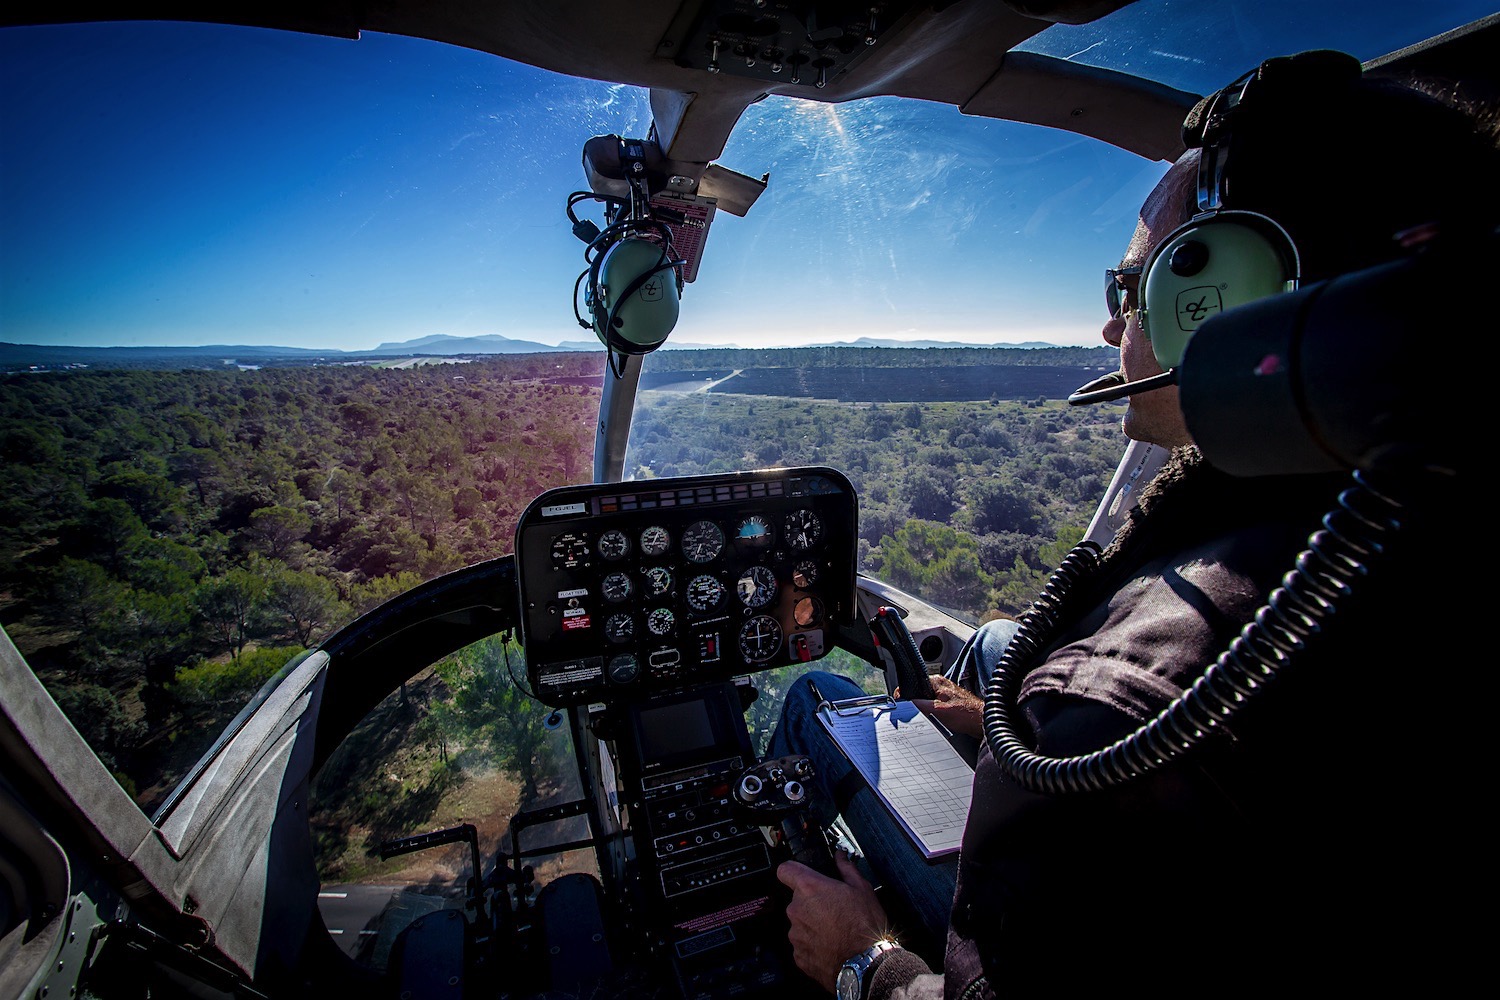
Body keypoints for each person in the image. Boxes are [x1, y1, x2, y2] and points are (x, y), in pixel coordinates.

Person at [772, 49, 1494, 996]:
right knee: (990, 643)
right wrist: (1005, 738)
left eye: (1131, 289)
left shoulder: (1115, 704)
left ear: (1229, 294)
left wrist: (865, 958)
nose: (1113, 332)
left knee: (817, 702)